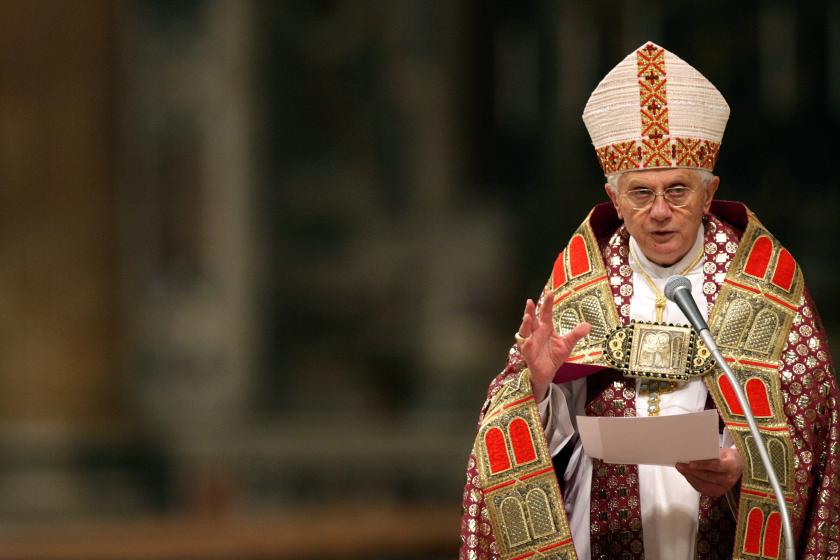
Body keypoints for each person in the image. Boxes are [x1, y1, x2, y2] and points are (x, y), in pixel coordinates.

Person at [460, 41, 840, 560]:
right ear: (614, 199)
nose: (660, 211)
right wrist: (542, 386)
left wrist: (743, 471)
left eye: (678, 190)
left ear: (709, 194)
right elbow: (509, 433)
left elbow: (811, 427)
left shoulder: (766, 283)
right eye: (641, 193)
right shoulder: (577, 282)